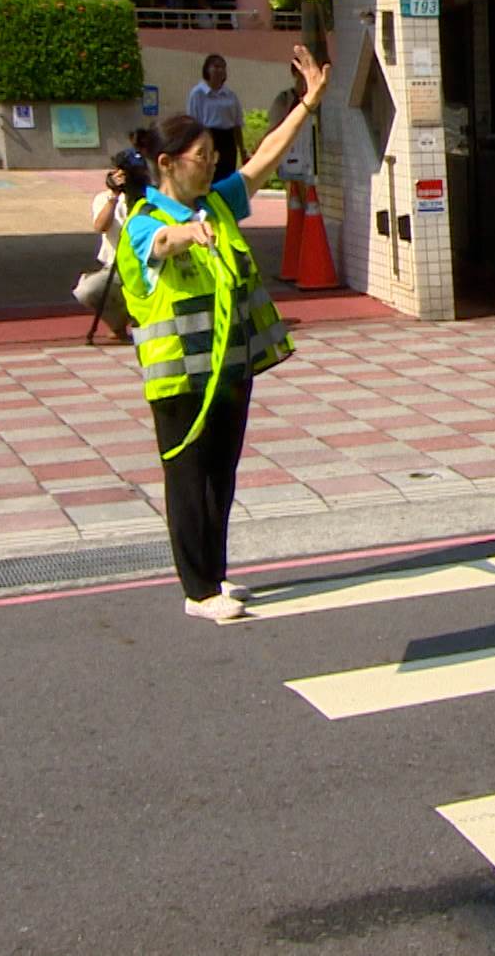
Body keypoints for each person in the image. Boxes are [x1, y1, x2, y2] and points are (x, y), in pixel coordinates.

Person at [120, 43, 329, 621]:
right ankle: (197, 590)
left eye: (213, 154)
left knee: (221, 477)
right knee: (187, 479)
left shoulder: (217, 201)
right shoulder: (145, 221)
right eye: (200, 155)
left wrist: (308, 104)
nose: (211, 163)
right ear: (167, 164)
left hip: (230, 371)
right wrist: (186, 235)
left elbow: (262, 160)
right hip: (180, 381)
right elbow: (158, 247)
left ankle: (214, 575)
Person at [76, 144, 143, 341]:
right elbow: (100, 226)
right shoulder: (104, 199)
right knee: (87, 291)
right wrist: (114, 196)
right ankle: (118, 324)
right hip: (114, 267)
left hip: (145, 268)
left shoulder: (149, 198)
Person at [186, 53, 244, 183]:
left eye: (223, 67)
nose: (219, 70)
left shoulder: (230, 95)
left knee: (227, 178)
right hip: (209, 137)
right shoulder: (198, 93)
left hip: (228, 140)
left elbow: (237, 124)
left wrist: (242, 150)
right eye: (216, 66)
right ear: (207, 69)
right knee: (209, 176)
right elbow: (193, 123)